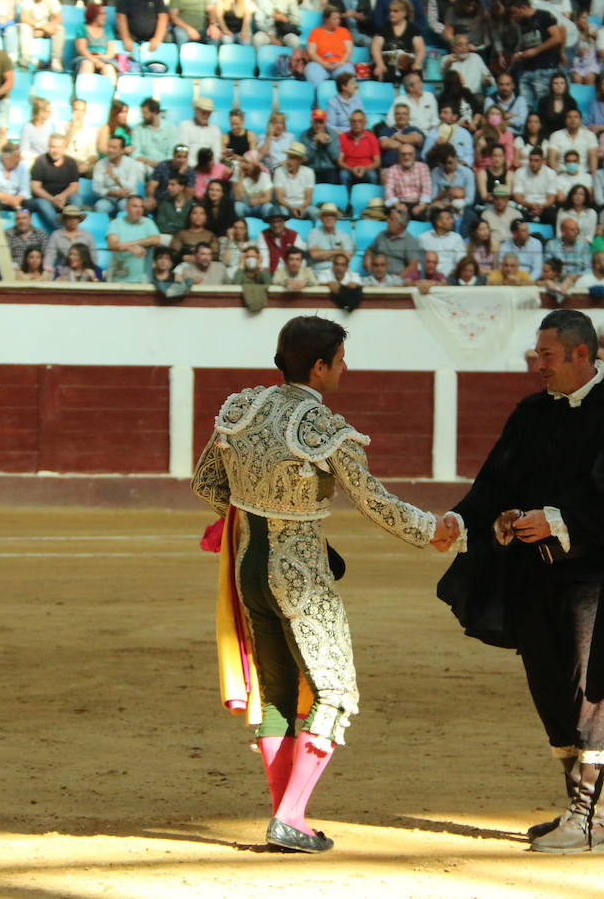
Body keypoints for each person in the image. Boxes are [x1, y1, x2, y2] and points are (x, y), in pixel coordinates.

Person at [191, 316, 459, 849]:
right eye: (339, 359)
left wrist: (260, 512)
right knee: (333, 692)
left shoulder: (240, 410)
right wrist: (433, 531)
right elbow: (375, 502)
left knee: (274, 694)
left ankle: (287, 815)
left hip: (248, 568)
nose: (344, 368)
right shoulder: (324, 429)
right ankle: (290, 818)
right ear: (318, 366)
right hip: (300, 579)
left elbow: (206, 483)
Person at [436, 309, 604, 854]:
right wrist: (464, 520)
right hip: (534, 575)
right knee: (550, 686)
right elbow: (494, 483)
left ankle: (592, 815)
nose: (539, 366)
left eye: (547, 355)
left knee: (592, 691)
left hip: (598, 581)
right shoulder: (532, 413)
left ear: (582, 354)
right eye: (537, 355)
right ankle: (582, 807)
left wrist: (558, 521)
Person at [105, 195, 163, 282]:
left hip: (143, 278)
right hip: (119, 276)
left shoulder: (148, 222)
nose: (139, 210)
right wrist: (130, 249)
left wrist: (129, 244)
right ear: (127, 208)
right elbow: (112, 244)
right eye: (135, 206)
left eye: (141, 207)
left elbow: (156, 239)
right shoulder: (115, 223)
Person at [18, 0, 65, 72]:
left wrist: (44, 29)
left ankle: (55, 60)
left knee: (60, 29)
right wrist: (41, 26)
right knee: (24, 27)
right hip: (32, 27)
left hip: (45, 28)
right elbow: (25, 18)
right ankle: (25, 61)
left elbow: (59, 18)